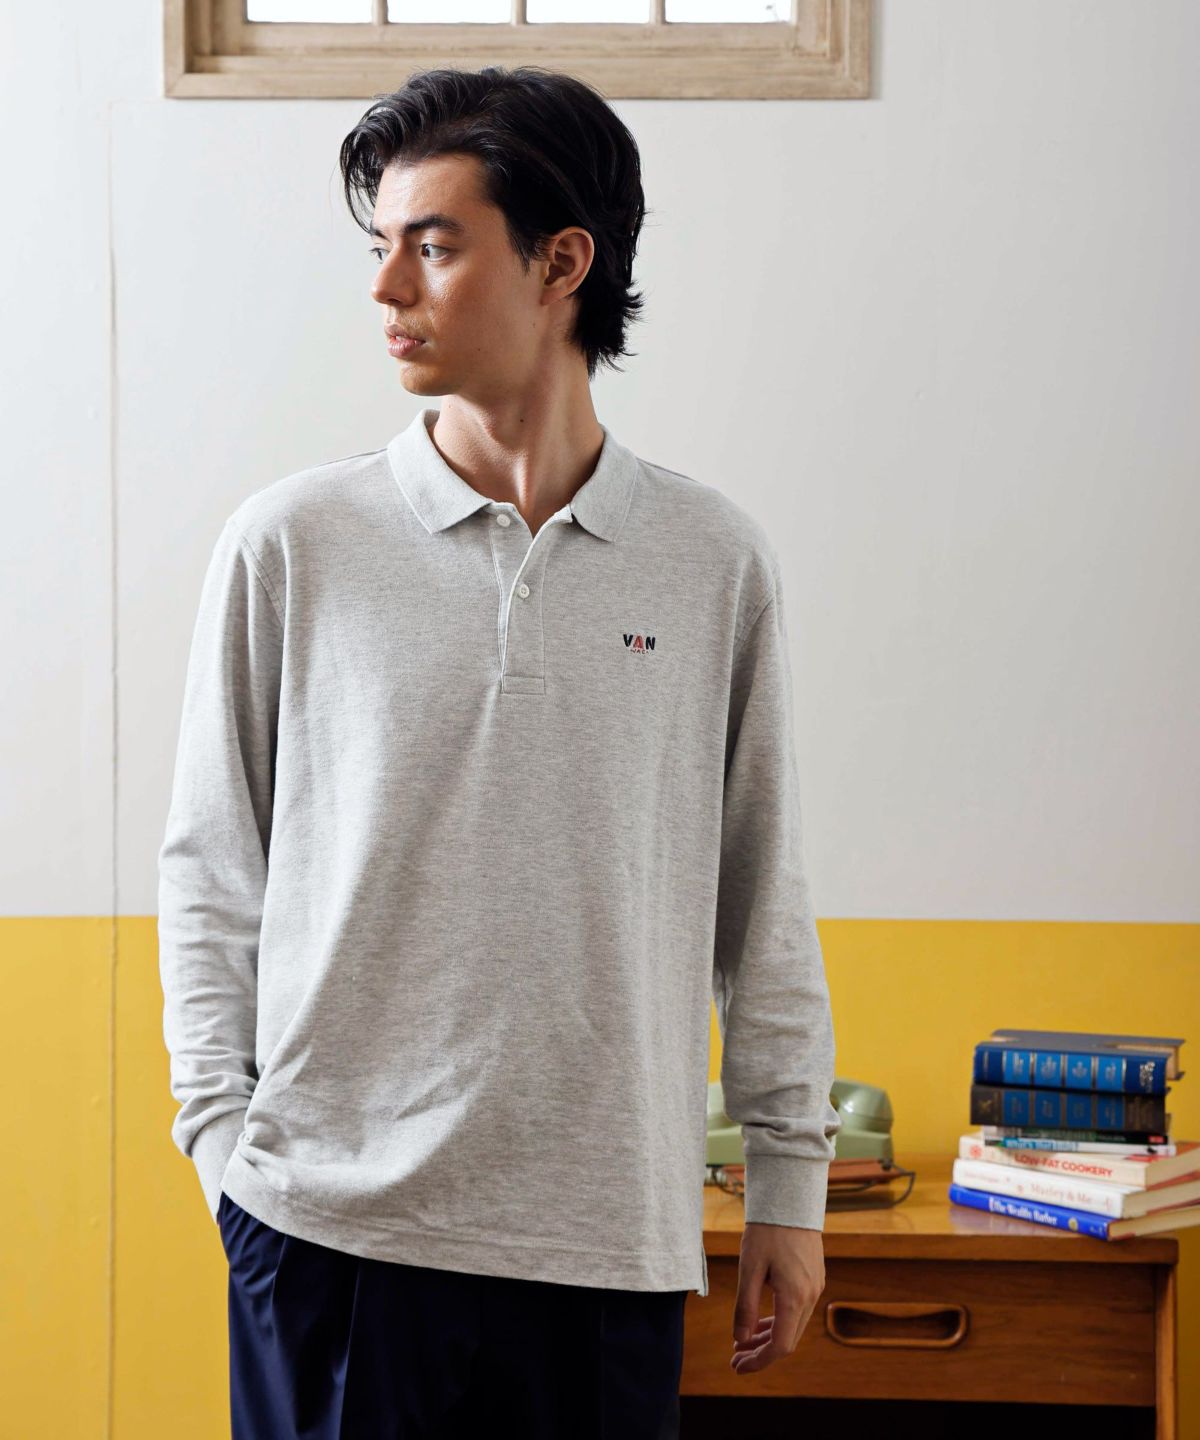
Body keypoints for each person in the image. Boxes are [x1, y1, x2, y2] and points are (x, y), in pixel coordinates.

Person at [157, 62, 841, 1440]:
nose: (385, 288)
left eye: (434, 244)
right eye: (381, 246)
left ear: (561, 264)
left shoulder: (711, 561)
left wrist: (790, 1183)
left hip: (607, 1249)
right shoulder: (293, 545)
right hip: (329, 1238)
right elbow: (212, 870)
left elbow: (759, 897)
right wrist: (225, 1151)